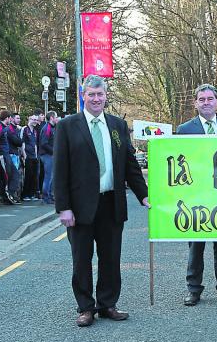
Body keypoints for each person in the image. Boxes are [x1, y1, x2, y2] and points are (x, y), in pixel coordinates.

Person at [53, 75, 149, 328]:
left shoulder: (117, 125)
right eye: (91, 94)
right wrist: (63, 207)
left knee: (111, 258)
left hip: (111, 203)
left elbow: (130, 164)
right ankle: (86, 308)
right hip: (80, 207)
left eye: (100, 94)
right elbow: (60, 170)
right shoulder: (67, 126)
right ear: (83, 96)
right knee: (81, 259)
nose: (96, 99)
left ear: (106, 96)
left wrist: (143, 194)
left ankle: (108, 304)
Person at [176, 85, 217, 306]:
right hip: (197, 196)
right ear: (195, 103)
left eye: (210, 99)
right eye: (201, 99)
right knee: (196, 244)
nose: (206, 103)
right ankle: (193, 289)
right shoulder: (185, 129)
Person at [0, 110, 22, 204]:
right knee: (7, 176)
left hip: (6, 154)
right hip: (1, 155)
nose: (10, 120)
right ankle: (7, 197)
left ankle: (10, 194)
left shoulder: (5, 127)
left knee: (15, 174)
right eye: (10, 118)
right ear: (7, 118)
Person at [39, 112, 58, 204]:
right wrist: (54, 151)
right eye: (56, 117)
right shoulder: (47, 128)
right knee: (48, 176)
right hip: (47, 155)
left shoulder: (52, 128)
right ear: (51, 118)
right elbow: (44, 143)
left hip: (50, 155)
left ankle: (50, 195)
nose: (57, 118)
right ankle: (46, 197)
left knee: (52, 176)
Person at [21, 115, 40, 201]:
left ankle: (32, 194)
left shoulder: (35, 131)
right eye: (33, 120)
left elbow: (35, 144)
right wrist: (24, 155)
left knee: (34, 175)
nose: (35, 121)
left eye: (36, 120)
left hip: (33, 156)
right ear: (29, 119)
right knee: (28, 175)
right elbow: (22, 143)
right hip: (27, 156)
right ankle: (25, 194)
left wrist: (36, 155)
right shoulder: (25, 129)